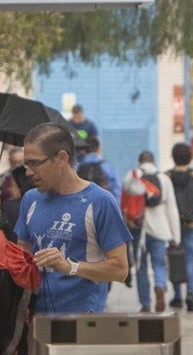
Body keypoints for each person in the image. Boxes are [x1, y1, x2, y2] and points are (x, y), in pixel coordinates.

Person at [14, 123, 131, 314]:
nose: (28, 172)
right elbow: (22, 257)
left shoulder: (100, 202)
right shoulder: (30, 199)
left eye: (35, 163)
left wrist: (70, 266)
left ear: (61, 158)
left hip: (80, 324)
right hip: (33, 321)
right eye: (27, 165)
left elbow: (120, 270)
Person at [123, 150, 181, 313]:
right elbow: (172, 209)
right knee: (159, 264)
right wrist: (176, 236)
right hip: (160, 230)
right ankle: (160, 286)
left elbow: (124, 204)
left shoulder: (131, 176)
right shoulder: (164, 179)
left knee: (141, 267)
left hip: (137, 229)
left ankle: (145, 303)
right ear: (154, 162)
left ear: (139, 162)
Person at [167, 143, 193, 312]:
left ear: (173, 157)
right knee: (190, 259)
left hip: (173, 225)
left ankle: (178, 296)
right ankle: (191, 293)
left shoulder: (167, 176)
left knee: (175, 258)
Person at [75, 135, 122, 205]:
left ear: (83, 151)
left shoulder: (77, 167)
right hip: (102, 206)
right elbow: (116, 189)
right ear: (99, 149)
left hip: (82, 207)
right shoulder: (108, 166)